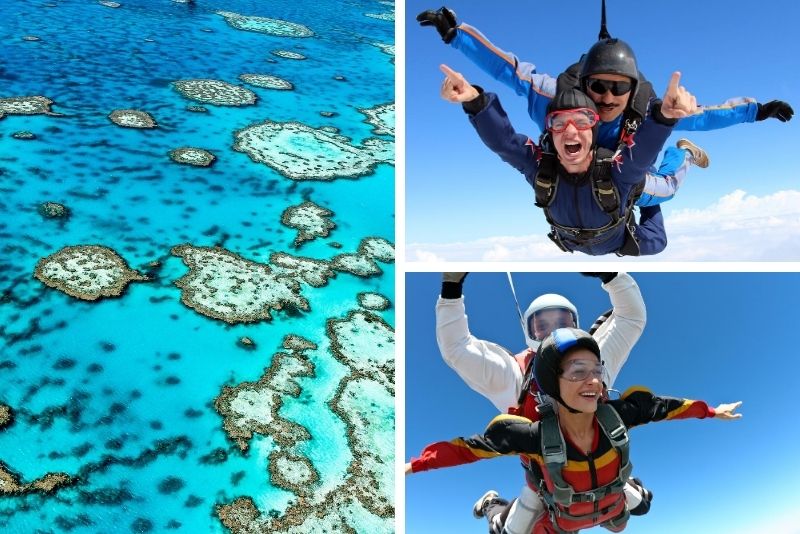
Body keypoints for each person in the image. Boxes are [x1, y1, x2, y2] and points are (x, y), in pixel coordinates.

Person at [417, 7, 794, 206]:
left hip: (629, 179)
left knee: (663, 191)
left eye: (620, 89)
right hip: (577, 178)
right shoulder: (556, 100)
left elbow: (706, 116)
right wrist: (456, 37)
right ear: (583, 84)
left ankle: (684, 158)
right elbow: (511, 71)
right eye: (598, 87)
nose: (608, 98)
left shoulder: (648, 110)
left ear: (633, 90)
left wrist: (757, 110)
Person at [407, 328, 743, 533]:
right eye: (578, 371)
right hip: (555, 502)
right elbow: (467, 449)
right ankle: (493, 504)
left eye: (597, 370)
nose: (593, 381)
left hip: (607, 491)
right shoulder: (532, 436)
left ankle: (629, 487)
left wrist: (711, 411)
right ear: (553, 383)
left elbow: (670, 408)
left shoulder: (621, 414)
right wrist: (413, 465)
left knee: (640, 508)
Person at [438, 272, 650, 533]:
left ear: (576, 325)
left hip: (604, 470)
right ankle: (493, 505)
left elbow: (631, 318)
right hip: (546, 485)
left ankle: (634, 489)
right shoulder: (514, 376)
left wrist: (613, 276)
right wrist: (451, 286)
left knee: (641, 507)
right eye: (542, 325)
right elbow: (457, 349)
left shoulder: (594, 360)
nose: (554, 331)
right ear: (530, 332)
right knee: (502, 531)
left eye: (563, 322)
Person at [442, 64, 693, 255]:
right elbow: (504, 143)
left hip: (618, 235)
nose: (571, 131)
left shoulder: (616, 170)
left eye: (583, 122)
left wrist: (664, 118)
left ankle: (683, 153)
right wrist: (475, 101)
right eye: (558, 123)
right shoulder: (541, 169)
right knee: (657, 244)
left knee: (666, 192)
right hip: (588, 242)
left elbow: (641, 155)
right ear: (549, 130)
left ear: (594, 131)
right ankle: (638, 197)